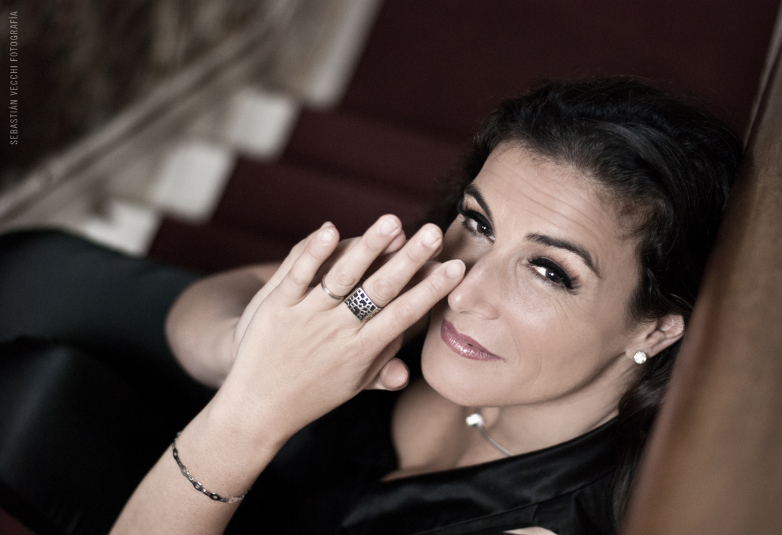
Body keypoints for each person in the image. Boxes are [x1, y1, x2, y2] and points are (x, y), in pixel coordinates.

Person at [0, 78, 741, 535]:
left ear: (657, 326)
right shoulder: (426, 285)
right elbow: (215, 299)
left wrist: (251, 412)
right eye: (479, 222)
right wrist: (245, 345)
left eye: (549, 270)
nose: (463, 286)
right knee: (28, 281)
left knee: (27, 409)